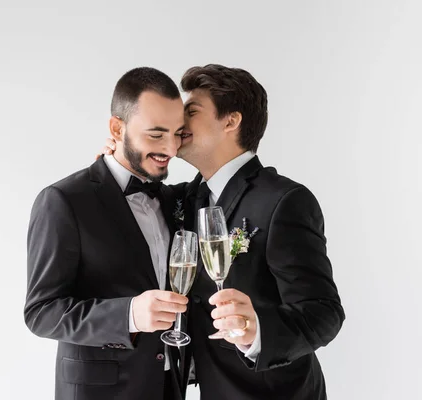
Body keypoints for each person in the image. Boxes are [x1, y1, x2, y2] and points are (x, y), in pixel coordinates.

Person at [101, 64, 345, 399]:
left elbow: (324, 311)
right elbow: (136, 195)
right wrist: (116, 162)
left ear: (231, 120)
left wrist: (255, 333)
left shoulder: (285, 201)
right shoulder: (185, 198)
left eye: (192, 111)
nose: (179, 122)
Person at [24, 67, 190, 400]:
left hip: (169, 389)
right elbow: (41, 312)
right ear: (117, 128)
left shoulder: (174, 198)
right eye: (156, 134)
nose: (171, 149)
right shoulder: (63, 200)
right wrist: (129, 314)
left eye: (178, 134)